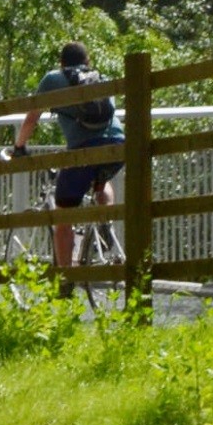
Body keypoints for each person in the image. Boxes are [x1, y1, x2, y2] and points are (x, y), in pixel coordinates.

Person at [10, 42, 126, 269]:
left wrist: (19, 148)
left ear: (61, 63)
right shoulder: (100, 78)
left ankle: (65, 280)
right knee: (101, 178)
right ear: (87, 61)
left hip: (82, 151)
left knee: (63, 218)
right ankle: (105, 220)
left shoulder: (53, 79)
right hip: (117, 144)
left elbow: (32, 117)